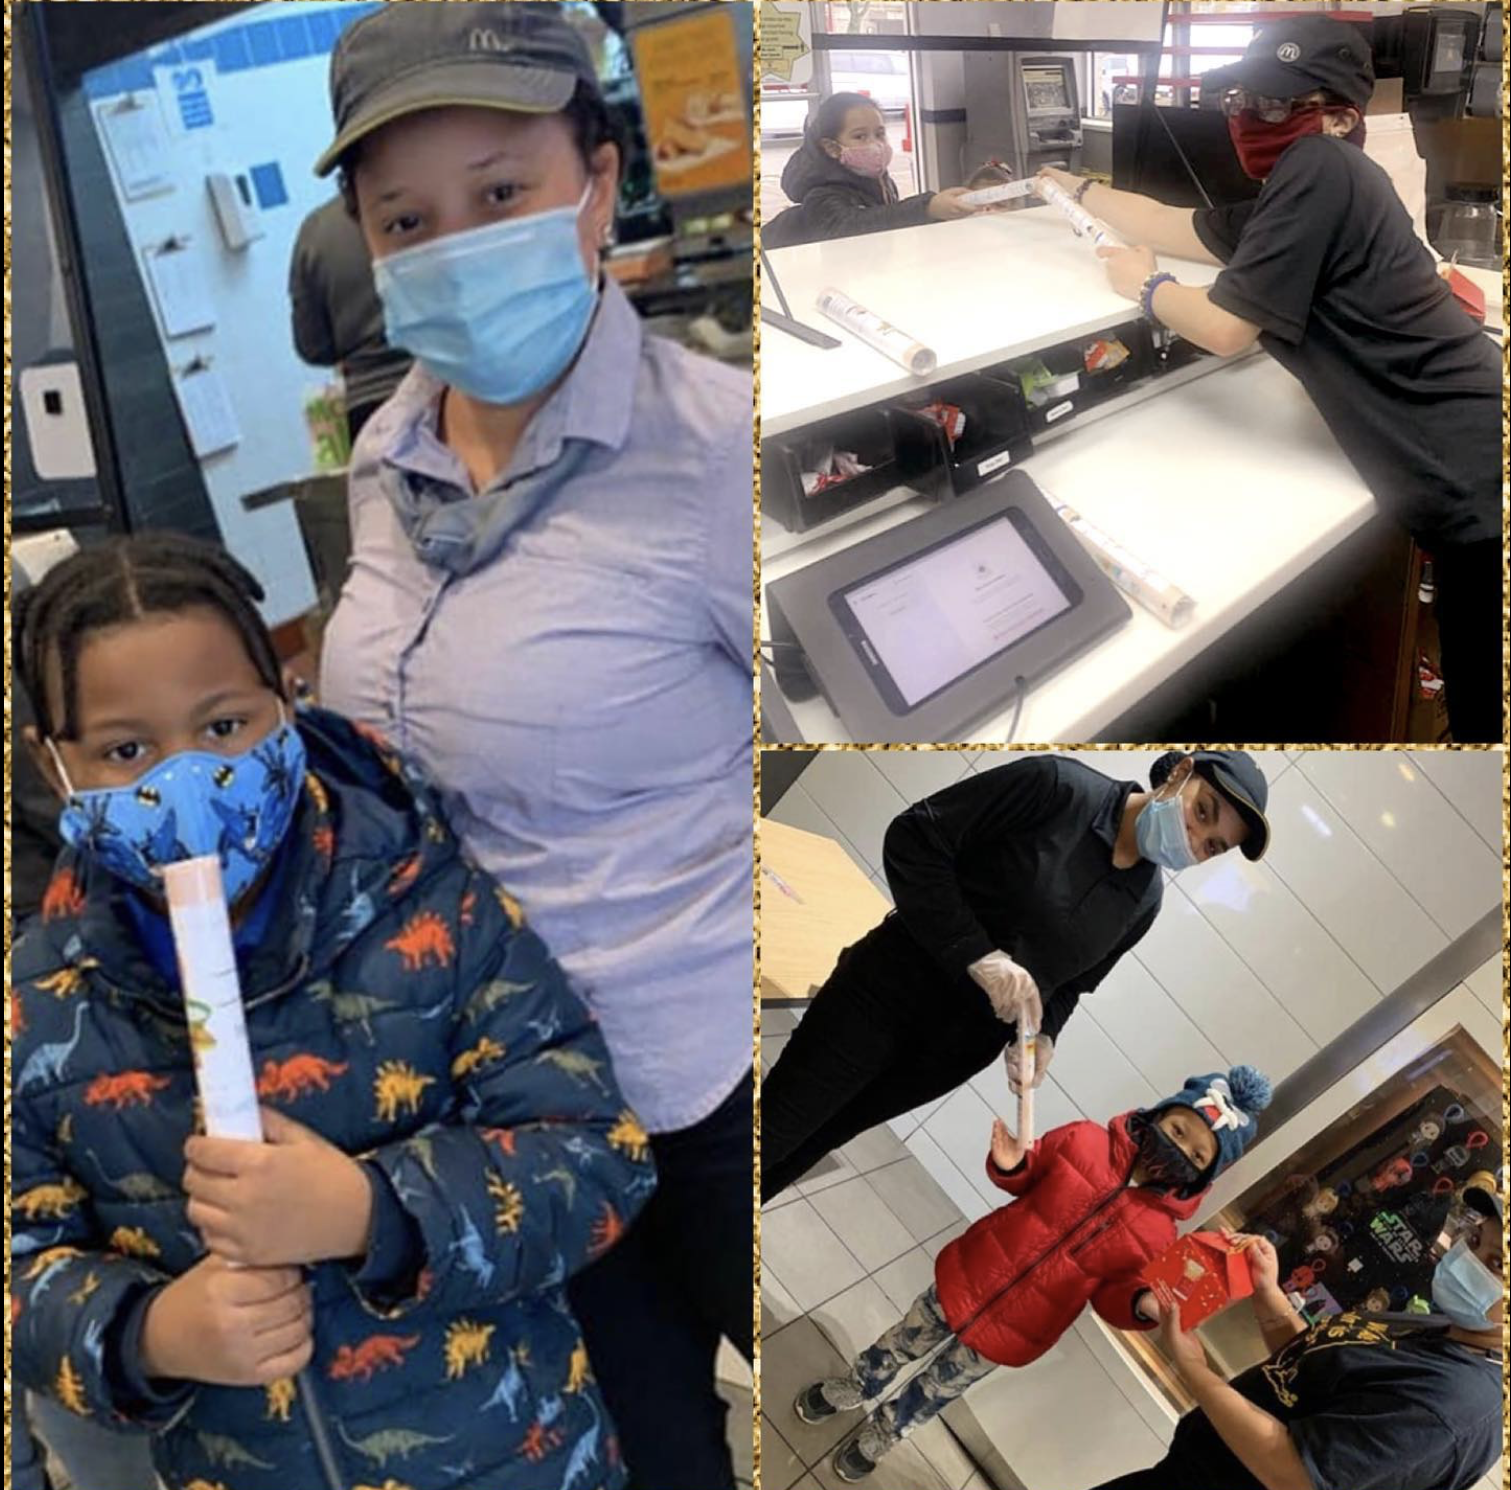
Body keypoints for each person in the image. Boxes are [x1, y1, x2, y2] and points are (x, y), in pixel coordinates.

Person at [310, 8, 754, 1488]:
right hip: (475, 1112)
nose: (453, 244)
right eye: (405, 218)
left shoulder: (714, 458)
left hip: (668, 1098)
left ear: (598, 180)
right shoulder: (389, 459)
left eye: (498, 195)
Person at [11, 534, 655, 1490]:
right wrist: (147, 1335)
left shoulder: (429, 901)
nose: (189, 781)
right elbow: (22, 1265)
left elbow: (600, 1157)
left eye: (225, 727)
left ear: (286, 698)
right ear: (52, 764)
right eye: (127, 750)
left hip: (516, 1459)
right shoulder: (41, 1003)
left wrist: (371, 1211)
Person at [1047, 15, 1502, 743]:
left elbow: (1225, 330)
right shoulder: (1306, 189)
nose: (1245, 121)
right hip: (1468, 451)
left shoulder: (1319, 170)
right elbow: (1172, 220)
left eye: (1273, 105)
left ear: (1339, 118)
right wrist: (1070, 187)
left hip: (1475, 475)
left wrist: (1145, 286)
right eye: (1237, 103)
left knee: (1486, 715)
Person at [762, 750, 1271, 1202]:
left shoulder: (1144, 902)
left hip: (950, 1051)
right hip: (889, 990)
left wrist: (1044, 1036)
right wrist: (977, 955)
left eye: (1212, 845)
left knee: (825, 1135)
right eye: (1202, 812)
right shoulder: (1058, 788)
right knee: (780, 1125)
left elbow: (1068, 986)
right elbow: (915, 838)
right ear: (1180, 773)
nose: (1195, 838)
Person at [799, 1068, 1273, 1481]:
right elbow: (1029, 1172)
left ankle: (885, 1431)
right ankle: (858, 1383)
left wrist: (1140, 1304)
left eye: (1195, 1156)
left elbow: (1113, 1294)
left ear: (1202, 1176)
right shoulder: (1085, 1139)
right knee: (905, 1338)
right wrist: (1012, 1165)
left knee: (939, 1388)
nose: (1179, 1148)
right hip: (973, 1272)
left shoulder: (1159, 1234)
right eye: (1178, 1129)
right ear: (1158, 1113)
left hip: (1023, 1325)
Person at [1089, 1184, 1505, 1490]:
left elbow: (1293, 1473)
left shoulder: (1457, 1405)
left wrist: (1195, 1369)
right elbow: (1319, 1367)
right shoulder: (1449, 1333)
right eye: (1475, 1239)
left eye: (1496, 1264)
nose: (1470, 1259)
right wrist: (1268, 1294)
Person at [763, 92, 979, 248]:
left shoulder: (878, 179)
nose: (875, 144)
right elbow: (849, 228)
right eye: (860, 136)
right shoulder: (820, 192)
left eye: (880, 133)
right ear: (831, 147)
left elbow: (884, 222)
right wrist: (927, 207)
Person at [288, 196, 412, 445]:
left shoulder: (316, 230)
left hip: (368, 410)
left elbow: (313, 348)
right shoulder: (430, 201)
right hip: (449, 388)